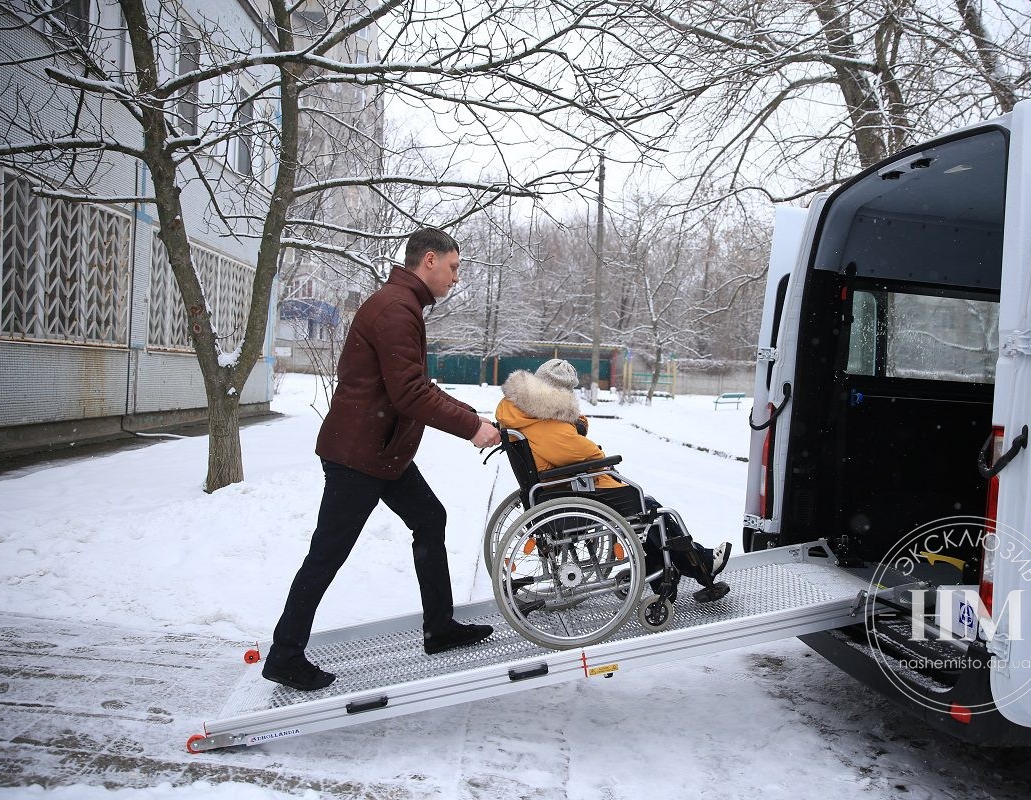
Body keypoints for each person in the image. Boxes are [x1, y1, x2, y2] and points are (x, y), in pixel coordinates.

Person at [263, 228, 502, 692]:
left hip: (380, 450)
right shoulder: (396, 308)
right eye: (453, 268)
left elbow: (412, 386)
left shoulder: (402, 304)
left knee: (430, 519)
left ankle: (440, 628)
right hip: (360, 455)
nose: (455, 278)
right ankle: (284, 654)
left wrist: (472, 415)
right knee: (327, 554)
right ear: (428, 260)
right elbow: (410, 393)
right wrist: (472, 428)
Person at [494, 359, 731, 602]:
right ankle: (698, 564)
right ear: (559, 392)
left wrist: (572, 423)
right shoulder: (545, 423)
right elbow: (589, 454)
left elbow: (568, 441)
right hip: (569, 494)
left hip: (557, 490)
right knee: (653, 512)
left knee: (648, 510)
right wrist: (594, 450)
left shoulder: (522, 413)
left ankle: (662, 575)